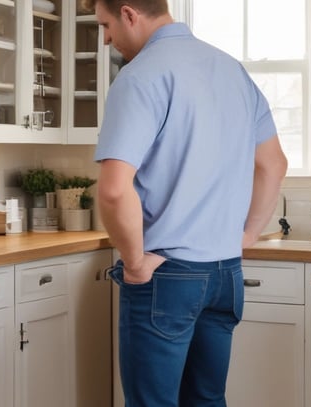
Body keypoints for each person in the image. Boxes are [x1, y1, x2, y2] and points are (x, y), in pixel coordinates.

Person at [84, 0, 288, 406]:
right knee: (207, 399)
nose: (106, 39)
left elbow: (113, 190)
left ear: (129, 14)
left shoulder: (140, 75)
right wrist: (247, 235)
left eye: (106, 25)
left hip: (166, 275)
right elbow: (274, 165)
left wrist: (135, 262)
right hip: (225, 274)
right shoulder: (232, 71)